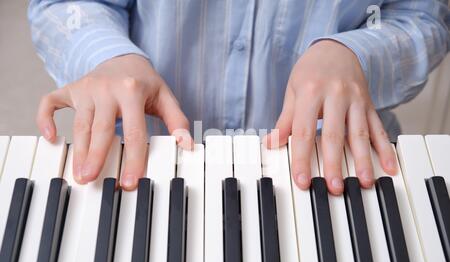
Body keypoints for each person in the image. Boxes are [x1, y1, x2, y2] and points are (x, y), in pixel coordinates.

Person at [29, 0, 450, 194]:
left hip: (337, 164)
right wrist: (110, 55)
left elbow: (423, 17)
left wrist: (358, 52)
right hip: (142, 166)